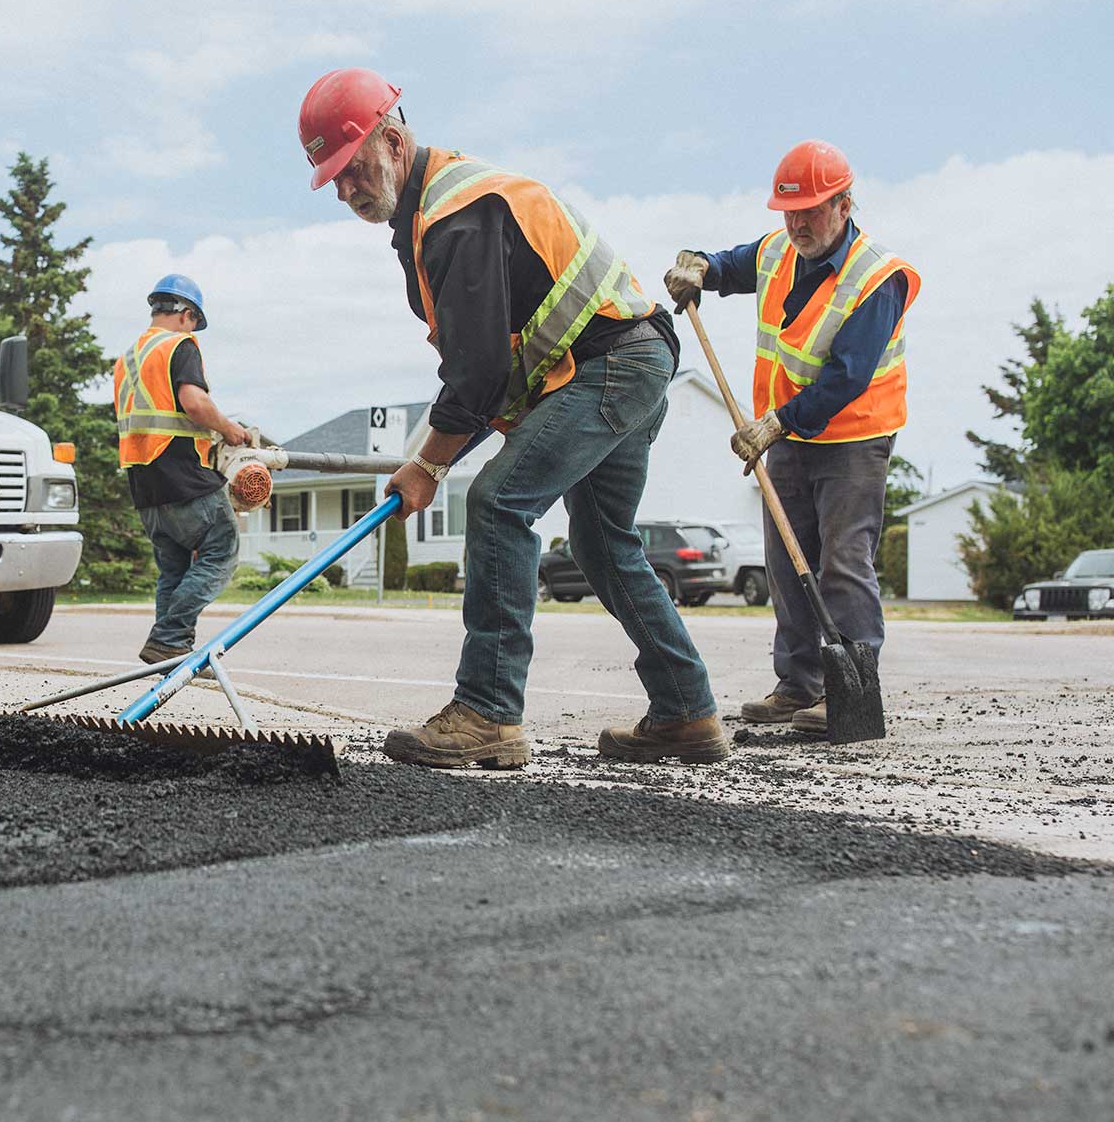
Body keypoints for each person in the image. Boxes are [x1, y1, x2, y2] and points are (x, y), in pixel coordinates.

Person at [298, 67, 729, 768]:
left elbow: (477, 376)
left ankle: (489, 714)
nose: (346, 189)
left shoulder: (457, 216)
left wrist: (429, 465)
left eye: (351, 167)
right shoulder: (435, 215)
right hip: (627, 361)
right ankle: (687, 710)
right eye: (333, 178)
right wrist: (430, 457)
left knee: (499, 505)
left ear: (394, 139)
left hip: (612, 365)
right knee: (602, 545)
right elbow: (480, 371)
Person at [663, 140, 919, 737]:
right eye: (789, 210)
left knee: (843, 561)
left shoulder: (880, 278)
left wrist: (774, 425)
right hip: (788, 440)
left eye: (811, 209)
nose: (798, 223)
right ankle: (799, 684)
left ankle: (849, 689)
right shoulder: (779, 250)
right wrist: (695, 264)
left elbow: (846, 377)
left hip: (854, 440)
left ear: (845, 203)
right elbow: (727, 266)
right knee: (786, 558)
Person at [113, 274, 250, 665]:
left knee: (172, 570)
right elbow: (194, 403)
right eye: (194, 321)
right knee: (222, 548)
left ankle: (169, 654)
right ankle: (170, 636)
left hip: (143, 483)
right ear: (187, 315)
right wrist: (229, 429)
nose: (194, 329)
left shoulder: (127, 359)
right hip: (182, 475)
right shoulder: (179, 345)